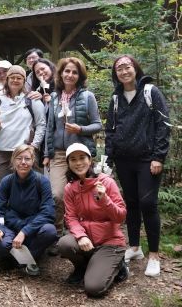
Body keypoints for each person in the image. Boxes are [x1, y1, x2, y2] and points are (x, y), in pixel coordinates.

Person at [105, 55, 170, 277]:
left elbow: (163, 125)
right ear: (116, 74)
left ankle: (154, 254)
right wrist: (108, 160)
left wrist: (158, 157)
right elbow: (110, 132)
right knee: (131, 202)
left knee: (148, 203)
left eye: (127, 66)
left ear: (135, 68)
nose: (124, 71)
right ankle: (134, 247)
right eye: (119, 68)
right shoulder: (115, 98)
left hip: (147, 159)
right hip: (124, 159)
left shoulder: (150, 92)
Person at [59, 143, 128, 296]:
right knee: (65, 244)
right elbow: (70, 217)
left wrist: (105, 199)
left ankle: (119, 265)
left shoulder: (107, 182)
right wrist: (81, 236)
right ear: (68, 163)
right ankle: (83, 267)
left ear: (90, 160)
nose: (78, 163)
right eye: (73, 159)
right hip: (88, 240)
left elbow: (121, 216)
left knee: (93, 288)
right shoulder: (70, 188)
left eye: (82, 158)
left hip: (109, 241)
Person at [43, 57, 102, 237]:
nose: (70, 75)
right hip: (59, 154)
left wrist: (80, 129)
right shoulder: (54, 97)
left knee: (82, 194)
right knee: (57, 195)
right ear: (60, 74)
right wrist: (47, 153)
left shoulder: (87, 96)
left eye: (74, 72)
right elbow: (49, 127)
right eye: (67, 71)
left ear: (80, 75)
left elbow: (98, 124)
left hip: (80, 153)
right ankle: (58, 233)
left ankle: (81, 232)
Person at [0, 145, 57, 276]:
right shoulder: (7, 181)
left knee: (50, 231)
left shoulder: (42, 181)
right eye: (19, 158)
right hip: (12, 226)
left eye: (27, 159)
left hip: (33, 227)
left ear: (33, 161)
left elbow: (48, 212)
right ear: (13, 161)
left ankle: (19, 259)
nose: (23, 162)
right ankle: (25, 258)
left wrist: (24, 232)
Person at [0, 66, 46, 182]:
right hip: (1, 150)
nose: (15, 80)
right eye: (12, 77)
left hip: (25, 150)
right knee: (3, 185)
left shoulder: (32, 99)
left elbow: (41, 124)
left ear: (24, 81)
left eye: (19, 78)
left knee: (29, 186)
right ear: (7, 79)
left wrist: (34, 146)